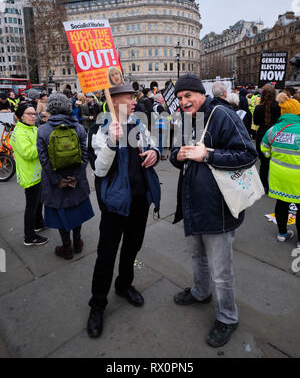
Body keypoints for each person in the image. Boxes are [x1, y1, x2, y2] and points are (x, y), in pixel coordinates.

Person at [170, 74, 257, 348]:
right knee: (197, 258)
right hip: (192, 203)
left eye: (188, 96)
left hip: (218, 207)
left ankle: (228, 317)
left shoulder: (222, 114)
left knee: (222, 270)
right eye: (180, 97)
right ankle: (200, 292)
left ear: (200, 93)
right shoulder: (186, 119)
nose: (184, 102)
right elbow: (178, 153)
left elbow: (247, 153)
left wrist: (207, 155)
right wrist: (179, 155)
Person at [87, 80, 161, 339]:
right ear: (113, 100)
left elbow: (153, 146)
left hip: (140, 200)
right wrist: (111, 142)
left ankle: (124, 285)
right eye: (128, 98)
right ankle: (97, 304)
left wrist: (155, 153)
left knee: (132, 247)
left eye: (134, 97)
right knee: (106, 254)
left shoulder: (139, 124)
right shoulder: (100, 128)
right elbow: (99, 170)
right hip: (115, 204)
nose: (134, 101)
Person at [37, 93, 94, 260]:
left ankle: (66, 247)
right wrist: (76, 177)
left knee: (61, 214)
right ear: (68, 107)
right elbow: (85, 156)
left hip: (56, 183)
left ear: (50, 108)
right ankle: (77, 242)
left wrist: (57, 181)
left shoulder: (43, 130)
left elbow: (44, 160)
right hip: (76, 180)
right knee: (77, 211)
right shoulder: (79, 128)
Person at [260, 107, 300, 246]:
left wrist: (270, 156)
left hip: (279, 177)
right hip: (298, 179)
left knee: (281, 204)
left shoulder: (273, 130)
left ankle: (282, 234)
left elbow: (264, 148)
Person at [10, 103, 48, 246]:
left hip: (38, 173)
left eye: (34, 114)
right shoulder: (19, 132)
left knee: (39, 202)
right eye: (29, 114)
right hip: (29, 175)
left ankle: (38, 223)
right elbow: (28, 153)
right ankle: (29, 236)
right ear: (20, 116)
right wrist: (42, 143)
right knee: (31, 206)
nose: (33, 116)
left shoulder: (32, 128)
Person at [253, 85, 281, 192]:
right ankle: (275, 185)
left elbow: (255, 122)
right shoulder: (278, 106)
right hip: (276, 136)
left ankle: (263, 185)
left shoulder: (258, 108)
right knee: (277, 163)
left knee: (264, 164)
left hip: (262, 136)